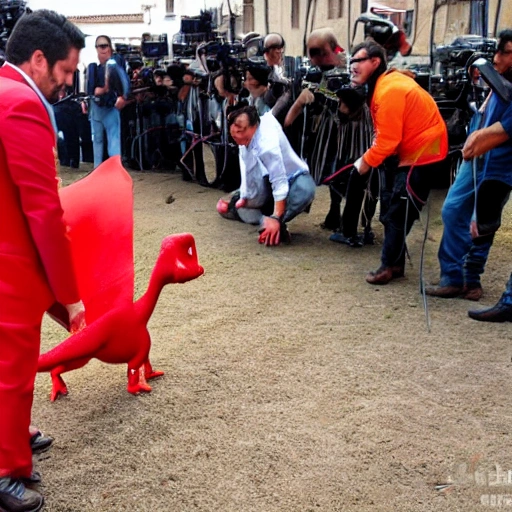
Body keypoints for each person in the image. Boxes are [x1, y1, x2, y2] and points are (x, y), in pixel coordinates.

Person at [0, 9, 86, 512]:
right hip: (11, 261)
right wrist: (70, 296)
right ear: (38, 60)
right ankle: (5, 468)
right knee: (11, 367)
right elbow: (43, 209)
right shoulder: (21, 105)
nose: (69, 82)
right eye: (67, 70)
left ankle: (14, 435)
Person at [348, 39, 448, 284]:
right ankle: (395, 265)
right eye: (350, 61)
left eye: (358, 61)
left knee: (397, 212)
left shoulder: (388, 90)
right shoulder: (386, 84)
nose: (352, 66)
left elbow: (388, 141)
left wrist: (365, 162)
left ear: (375, 62)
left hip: (423, 153)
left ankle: (386, 268)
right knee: (395, 209)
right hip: (414, 151)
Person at [426, 29, 512, 302]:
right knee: (453, 211)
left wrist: (480, 138)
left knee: (484, 223)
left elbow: (502, 130)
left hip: (500, 163)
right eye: (496, 50)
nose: (496, 56)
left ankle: (470, 280)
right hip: (477, 158)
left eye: (503, 51)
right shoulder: (498, 78)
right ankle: (453, 277)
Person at [216, 106, 316, 246]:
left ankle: (275, 222)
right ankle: (243, 205)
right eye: (234, 132)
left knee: (304, 190)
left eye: (240, 130)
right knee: (239, 208)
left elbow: (279, 183)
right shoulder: (247, 137)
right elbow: (248, 169)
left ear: (253, 126)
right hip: (262, 182)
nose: (236, 134)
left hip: (294, 178)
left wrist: (275, 218)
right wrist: (245, 196)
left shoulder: (266, 144)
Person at [86, 35, 130, 168]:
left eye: (105, 45)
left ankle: (115, 171)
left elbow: (124, 81)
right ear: (96, 48)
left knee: (113, 141)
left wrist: (123, 96)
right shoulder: (94, 67)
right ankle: (97, 171)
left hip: (110, 107)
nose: (103, 49)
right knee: (98, 141)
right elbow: (91, 90)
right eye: (100, 46)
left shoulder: (115, 63)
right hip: (97, 107)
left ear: (110, 47)